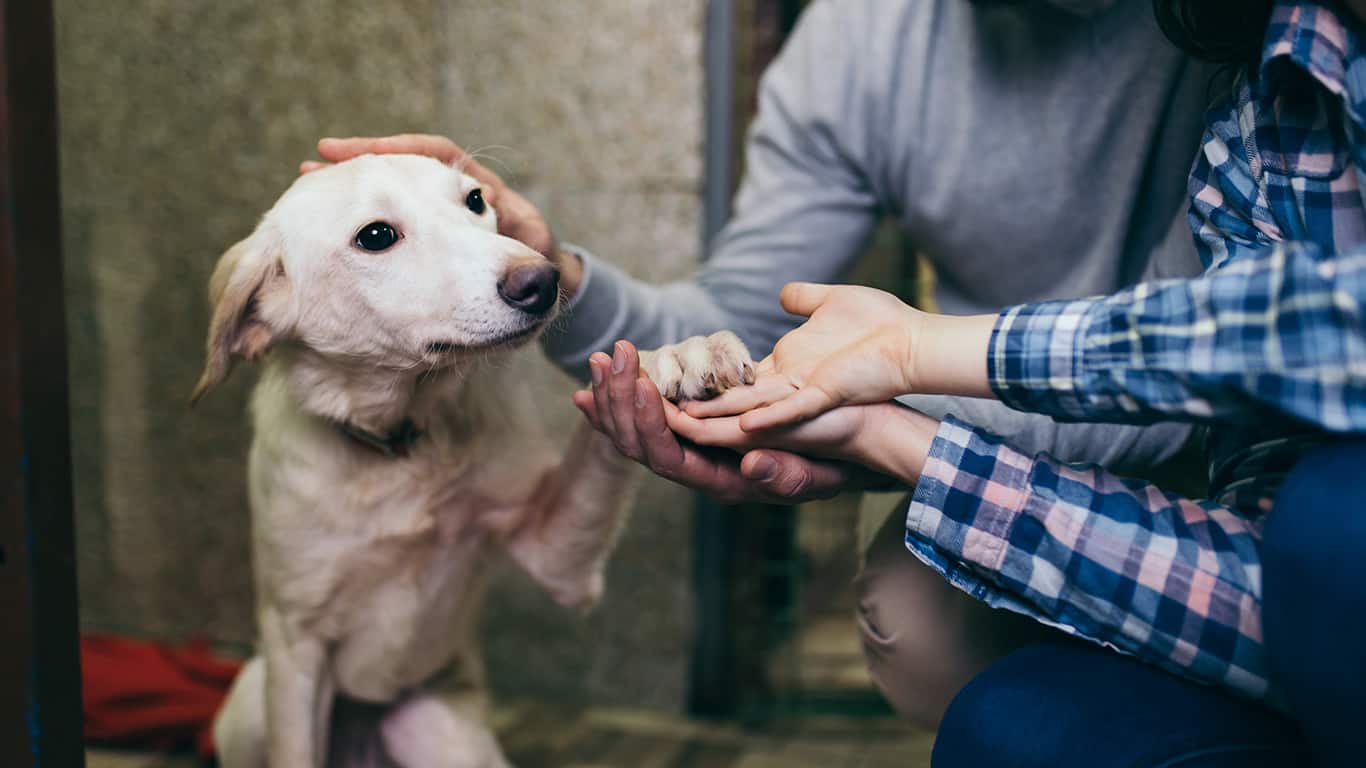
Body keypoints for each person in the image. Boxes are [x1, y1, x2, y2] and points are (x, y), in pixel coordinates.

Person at [310, 0, 1219, 737]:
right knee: (919, 630)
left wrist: (883, 421)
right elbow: (733, 313)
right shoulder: (859, 42)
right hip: (1003, 418)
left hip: (1237, 424)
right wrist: (556, 275)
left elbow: (1225, 354)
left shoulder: (1229, 35)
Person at [595, 0, 1365, 764]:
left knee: (1327, 526)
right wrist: (549, 286)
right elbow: (1279, 588)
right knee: (994, 718)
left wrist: (917, 356)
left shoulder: (1213, 51)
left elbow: (1259, 343)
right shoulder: (1272, 92)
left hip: (1185, 439)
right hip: (1169, 466)